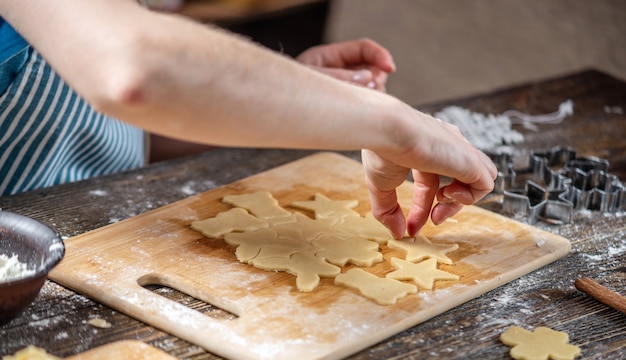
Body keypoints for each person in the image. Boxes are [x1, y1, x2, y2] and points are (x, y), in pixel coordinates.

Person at [0, 0, 497, 239]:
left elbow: (119, 122)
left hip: (102, 241)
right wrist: (392, 123)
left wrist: (298, 98)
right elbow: (134, 72)